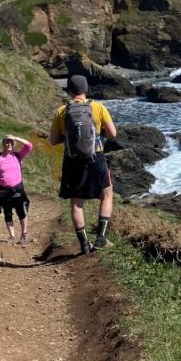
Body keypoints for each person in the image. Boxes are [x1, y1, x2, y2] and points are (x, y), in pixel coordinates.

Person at [49, 75, 117, 254]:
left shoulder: (62, 111)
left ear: (70, 91)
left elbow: (53, 140)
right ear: (86, 90)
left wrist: (69, 137)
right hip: (97, 157)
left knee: (76, 202)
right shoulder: (98, 107)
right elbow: (112, 134)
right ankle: (101, 238)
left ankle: (84, 243)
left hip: (72, 160)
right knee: (107, 195)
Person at [0, 134, 33, 245]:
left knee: (21, 213)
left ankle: (24, 234)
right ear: (3, 144)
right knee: (7, 214)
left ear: (14, 144)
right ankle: (12, 236)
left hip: (17, 190)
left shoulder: (18, 156)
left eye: (11, 142)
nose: (9, 144)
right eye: (6, 142)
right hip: (3, 191)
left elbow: (29, 146)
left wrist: (15, 137)